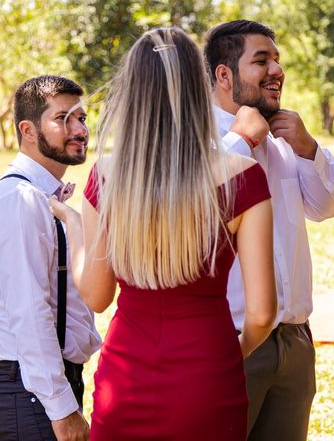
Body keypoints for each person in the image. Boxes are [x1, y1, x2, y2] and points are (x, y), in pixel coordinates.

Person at [50, 26, 277, 440]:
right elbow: (262, 314)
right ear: (199, 86)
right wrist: (229, 354)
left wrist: (75, 227)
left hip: (126, 378)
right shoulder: (245, 177)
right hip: (209, 376)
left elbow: (99, 297)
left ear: (132, 92)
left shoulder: (109, 176)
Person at [203, 20, 334, 441]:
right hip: (231, 342)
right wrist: (240, 143)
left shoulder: (285, 141)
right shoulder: (196, 139)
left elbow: (324, 206)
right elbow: (189, 208)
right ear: (224, 75)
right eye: (261, 60)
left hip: (294, 343)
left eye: (277, 60)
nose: (276, 70)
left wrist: (309, 148)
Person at [0, 75, 101, 441]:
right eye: (63, 119)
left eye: (82, 118)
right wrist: (61, 410)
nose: (79, 129)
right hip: (25, 391)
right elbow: (30, 313)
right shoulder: (20, 200)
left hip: (42, 384)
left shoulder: (47, 197)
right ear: (28, 130)